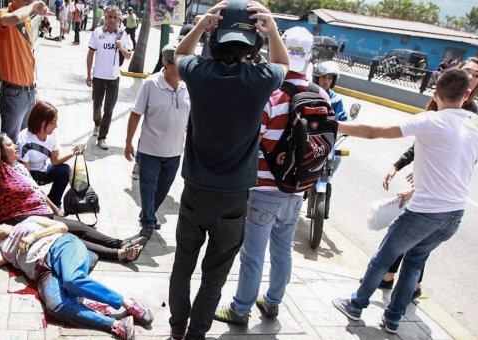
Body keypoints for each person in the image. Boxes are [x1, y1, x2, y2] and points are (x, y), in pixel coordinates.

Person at [333, 68, 478, 334]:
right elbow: (455, 166)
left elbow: (375, 132)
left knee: (382, 258)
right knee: (415, 262)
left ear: (435, 94)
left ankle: (356, 305)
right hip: (454, 215)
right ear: (466, 95)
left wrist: (334, 125)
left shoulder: (432, 120)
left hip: (424, 213)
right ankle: (393, 319)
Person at [168, 1, 289, 339]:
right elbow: (283, 62)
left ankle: (177, 329)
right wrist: (273, 28)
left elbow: (179, 53)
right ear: (253, 44)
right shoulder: (259, 79)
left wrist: (199, 26)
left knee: (183, 264)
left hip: (194, 191)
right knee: (215, 274)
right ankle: (196, 334)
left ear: (215, 39)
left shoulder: (198, 72)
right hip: (234, 198)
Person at [213, 26, 327, 326]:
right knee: (283, 250)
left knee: (253, 255)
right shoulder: (320, 93)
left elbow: (252, 137)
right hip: (298, 188)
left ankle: (240, 309)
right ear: (311, 55)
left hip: (264, 188)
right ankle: (273, 301)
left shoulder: (271, 93)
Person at [0, 99, 145, 262]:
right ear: (1, 152)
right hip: (20, 219)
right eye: (10, 145)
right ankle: (119, 253)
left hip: (39, 213)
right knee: (68, 237)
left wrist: (56, 209)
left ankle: (121, 243)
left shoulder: (17, 167)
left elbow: (36, 190)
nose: (15, 146)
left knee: (79, 227)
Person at [377, 57, 478, 298]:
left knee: (409, 246)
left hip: (438, 199)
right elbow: (421, 138)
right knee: (414, 248)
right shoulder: (445, 102)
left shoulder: (473, 118)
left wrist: (418, 189)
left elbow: (458, 166)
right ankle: (399, 286)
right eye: (466, 70)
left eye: (476, 74)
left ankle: (392, 284)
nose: (469, 75)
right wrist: (398, 164)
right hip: (436, 198)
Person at [0, 216, 153, 340]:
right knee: (55, 306)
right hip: (43, 273)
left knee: (72, 280)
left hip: (60, 246)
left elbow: (62, 227)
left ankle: (127, 303)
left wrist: (32, 236)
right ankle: (115, 325)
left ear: (0, 223)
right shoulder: (4, 249)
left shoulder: (28, 221)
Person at [124, 44, 191, 240]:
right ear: (166, 63)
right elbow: (136, 114)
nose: (184, 68)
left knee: (164, 187)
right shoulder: (151, 84)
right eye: (179, 64)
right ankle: (147, 222)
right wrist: (128, 143)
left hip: (174, 151)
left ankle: (148, 213)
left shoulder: (188, 86)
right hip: (149, 149)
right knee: (148, 186)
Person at [0, 0, 51, 143]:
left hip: (29, 92)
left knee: (24, 142)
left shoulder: (28, 20)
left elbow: (28, 57)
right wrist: (32, 7)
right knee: (10, 144)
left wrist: (33, 88)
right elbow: (15, 18)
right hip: (14, 93)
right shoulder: (0, 14)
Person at [17, 101, 81, 210]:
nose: (56, 126)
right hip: (29, 174)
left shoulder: (52, 136)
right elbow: (26, 177)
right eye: (53, 122)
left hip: (44, 171)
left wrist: (73, 152)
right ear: (42, 122)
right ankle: (43, 205)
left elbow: (55, 160)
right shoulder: (24, 139)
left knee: (65, 170)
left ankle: (55, 201)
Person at [86, 5, 133, 150]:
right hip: (98, 76)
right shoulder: (97, 32)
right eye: (110, 17)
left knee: (109, 109)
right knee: (97, 105)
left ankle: (102, 137)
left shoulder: (123, 34)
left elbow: (128, 55)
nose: (112, 20)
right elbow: (90, 53)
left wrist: (120, 47)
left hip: (114, 78)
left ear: (119, 19)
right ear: (105, 17)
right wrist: (88, 74)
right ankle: (97, 123)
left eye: (115, 17)